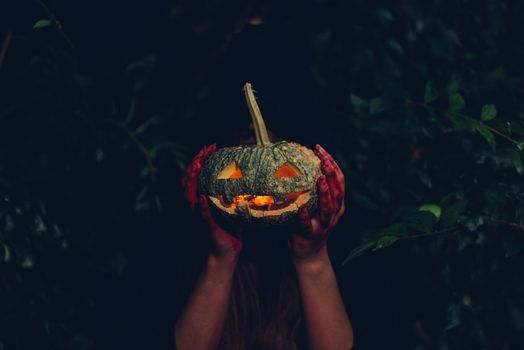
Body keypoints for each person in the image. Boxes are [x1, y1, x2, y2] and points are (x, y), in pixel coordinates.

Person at [176, 143, 353, 350]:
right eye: (235, 174)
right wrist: (220, 258)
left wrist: (312, 257)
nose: (258, 188)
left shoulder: (346, 257)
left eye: (284, 172)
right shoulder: (182, 258)